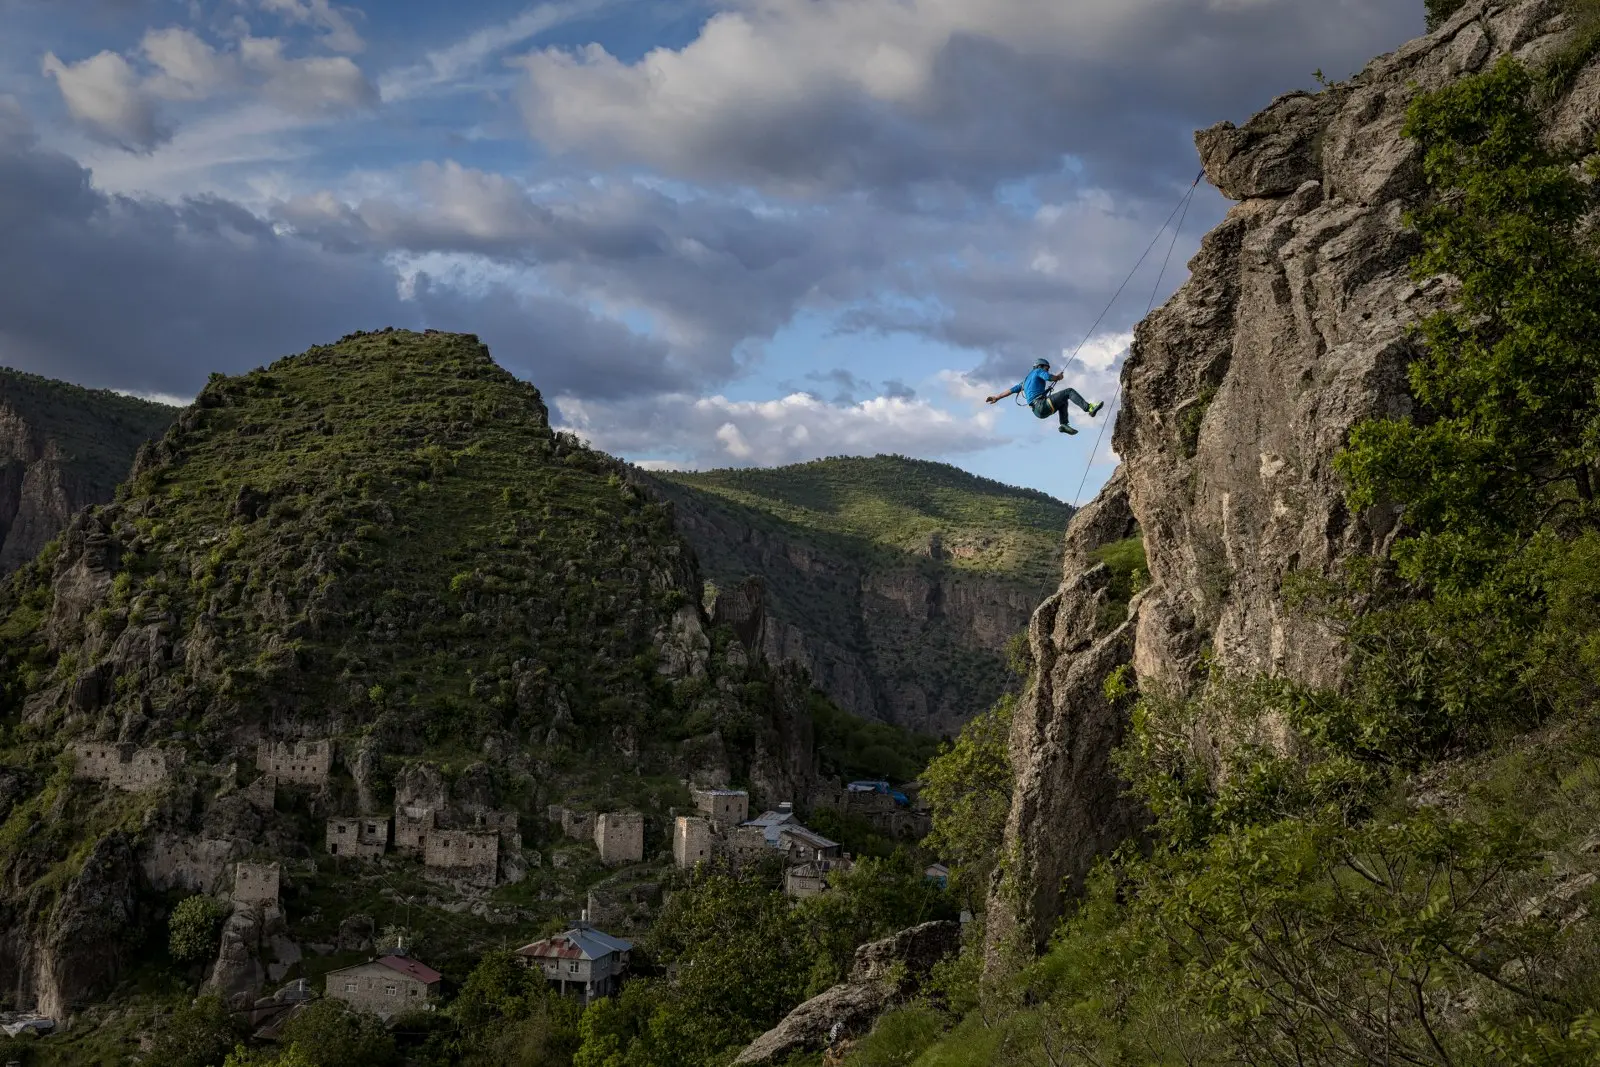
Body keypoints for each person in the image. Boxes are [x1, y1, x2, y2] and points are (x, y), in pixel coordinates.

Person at [986, 358, 1104, 434]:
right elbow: (1048, 377)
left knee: (1063, 400)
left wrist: (997, 397)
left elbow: (1011, 390)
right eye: (1046, 368)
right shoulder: (1037, 371)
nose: (1047, 371)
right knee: (1068, 391)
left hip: (1037, 411)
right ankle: (1089, 408)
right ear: (1040, 366)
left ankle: (1063, 424)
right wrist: (1057, 377)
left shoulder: (1025, 381)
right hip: (1041, 404)